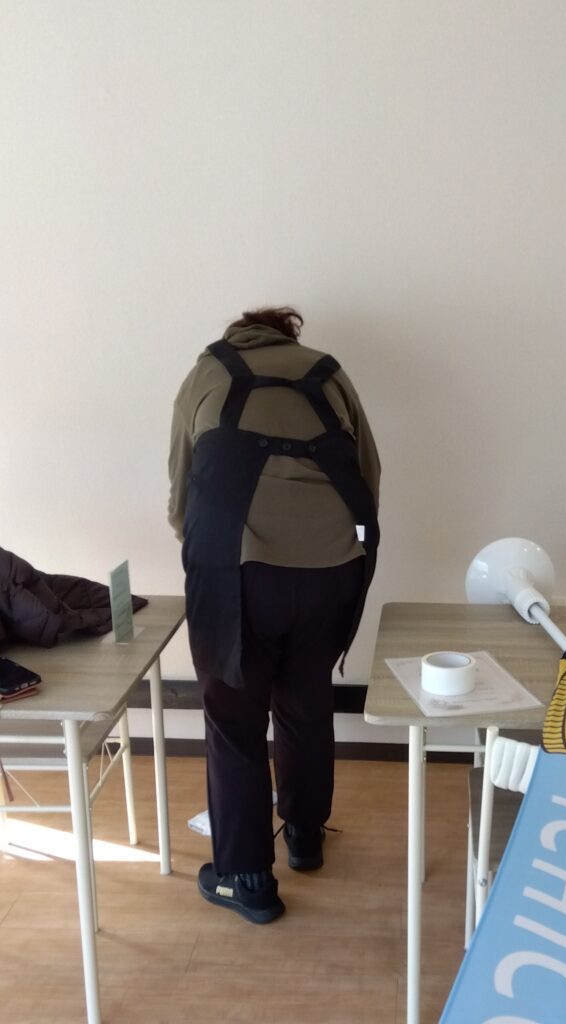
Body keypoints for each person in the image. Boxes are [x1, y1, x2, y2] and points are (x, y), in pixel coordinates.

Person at [168, 305, 380, 923]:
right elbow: (369, 473)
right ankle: (305, 836)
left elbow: (183, 487)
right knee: (305, 700)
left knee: (234, 720)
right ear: (288, 336)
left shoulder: (207, 372)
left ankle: (247, 880)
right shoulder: (328, 373)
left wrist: (203, 547)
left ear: (239, 335)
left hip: (235, 574)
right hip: (331, 573)